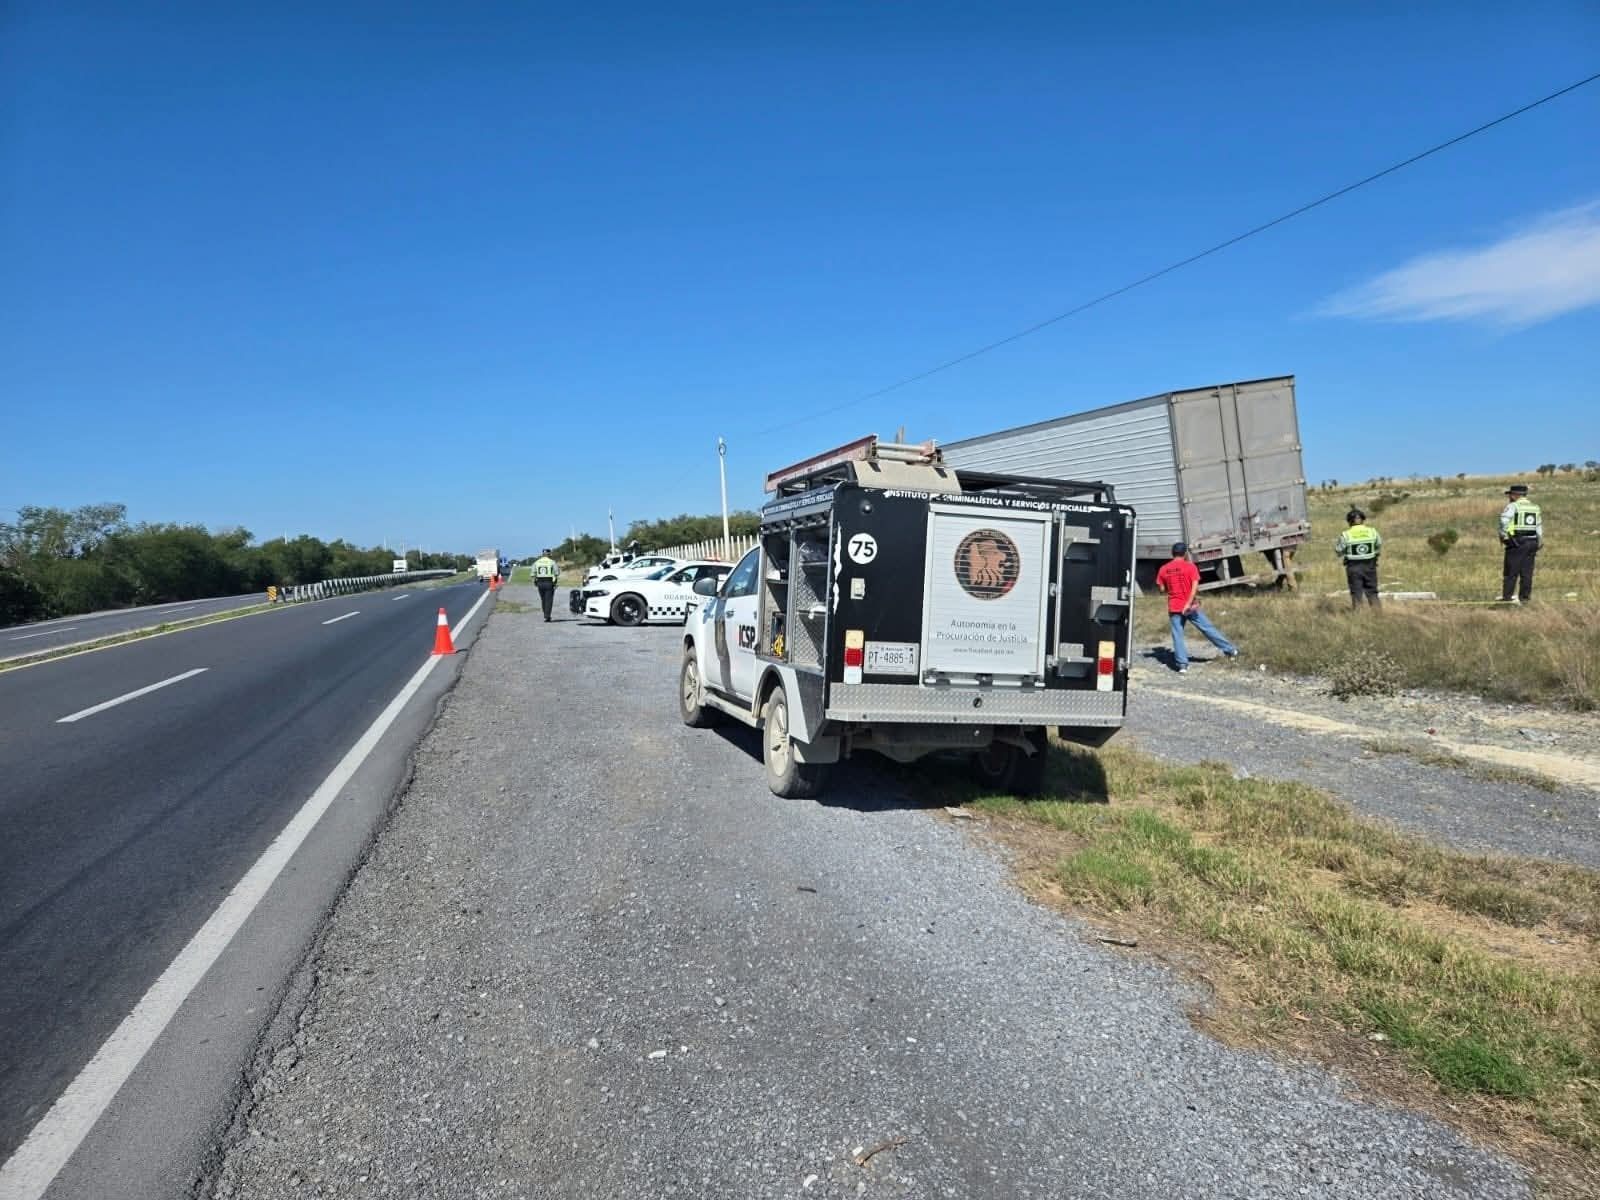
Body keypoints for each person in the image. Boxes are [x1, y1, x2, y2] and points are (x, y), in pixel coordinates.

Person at [1154, 542, 1238, 673]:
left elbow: (1162, 589)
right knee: (1207, 628)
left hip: (1175, 607)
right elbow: (1194, 587)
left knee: (1178, 635)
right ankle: (1230, 650)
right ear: (1185, 553)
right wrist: (1188, 602)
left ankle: (1182, 665)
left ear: (1172, 553)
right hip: (1190, 607)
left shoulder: (1164, 569)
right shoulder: (1190, 567)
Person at [1498, 484, 1542, 604]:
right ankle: (1525, 598)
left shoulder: (1513, 506)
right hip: (1533, 541)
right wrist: (1539, 541)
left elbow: (1503, 521)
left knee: (1511, 572)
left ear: (1515, 495)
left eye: (1510, 495)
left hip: (1517, 542)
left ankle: (1507, 598)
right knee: (1527, 573)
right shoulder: (1535, 507)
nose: (1509, 497)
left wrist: (1503, 536)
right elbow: (1538, 526)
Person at [1333, 507, 1382, 609]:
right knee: (1372, 591)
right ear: (1363, 520)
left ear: (1349, 522)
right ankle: (1378, 615)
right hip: (1370, 566)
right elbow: (1378, 545)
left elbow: (1338, 551)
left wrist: (1346, 551)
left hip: (1353, 567)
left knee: (1356, 592)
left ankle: (1358, 617)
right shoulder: (1372, 531)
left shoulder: (1346, 535)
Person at [531, 549, 560, 621]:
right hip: (549, 582)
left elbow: (533, 574)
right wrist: (555, 581)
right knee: (549, 600)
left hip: (540, 582)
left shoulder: (537, 562)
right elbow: (557, 573)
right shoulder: (552, 562)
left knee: (543, 599)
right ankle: (547, 615)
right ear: (549, 554)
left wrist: (535, 581)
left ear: (543, 554)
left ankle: (545, 613)